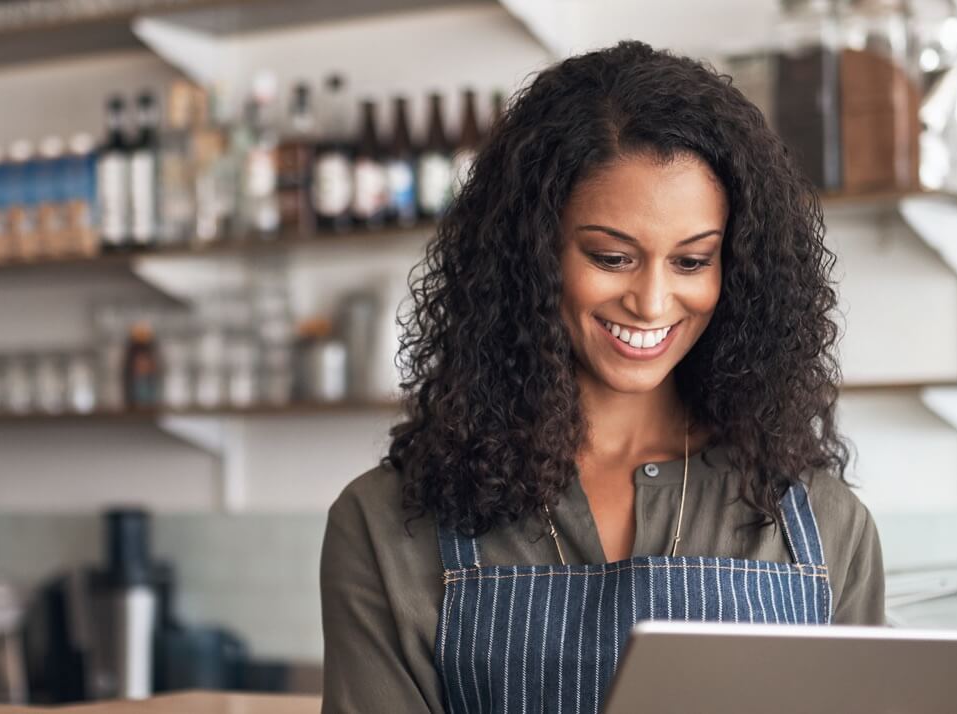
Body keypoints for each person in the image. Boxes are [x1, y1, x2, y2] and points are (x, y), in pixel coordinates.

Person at [319, 42, 884, 713]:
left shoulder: (822, 524)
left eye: (692, 261)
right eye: (612, 256)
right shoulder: (387, 526)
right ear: (529, 257)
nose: (650, 302)